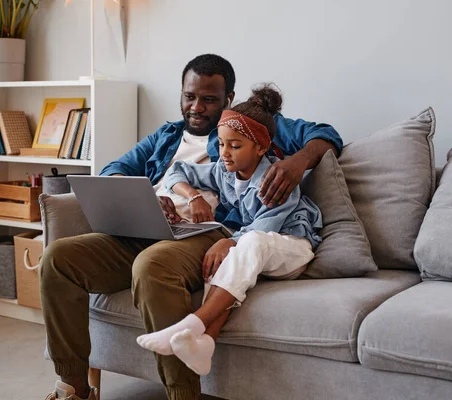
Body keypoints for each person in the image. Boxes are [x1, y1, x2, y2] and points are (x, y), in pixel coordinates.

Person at [41, 54, 343, 400]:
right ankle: (74, 389)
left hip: (206, 233)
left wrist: (295, 164)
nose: (196, 107)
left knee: (152, 266)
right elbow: (115, 169)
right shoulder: (166, 136)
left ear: (228, 99)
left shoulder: (247, 123)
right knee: (59, 258)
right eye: (189, 96)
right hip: (148, 226)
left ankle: (183, 393)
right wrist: (144, 198)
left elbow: (325, 135)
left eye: (209, 99)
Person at [136, 85, 322, 377]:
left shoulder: (275, 181)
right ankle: (205, 343)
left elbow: (263, 230)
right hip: (255, 248)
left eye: (235, 146)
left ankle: (192, 323)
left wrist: (229, 242)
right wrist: (194, 196)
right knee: (223, 259)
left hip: (292, 248)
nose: (224, 153)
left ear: (260, 148)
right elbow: (176, 171)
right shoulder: (224, 171)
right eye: (222, 144)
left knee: (247, 243)